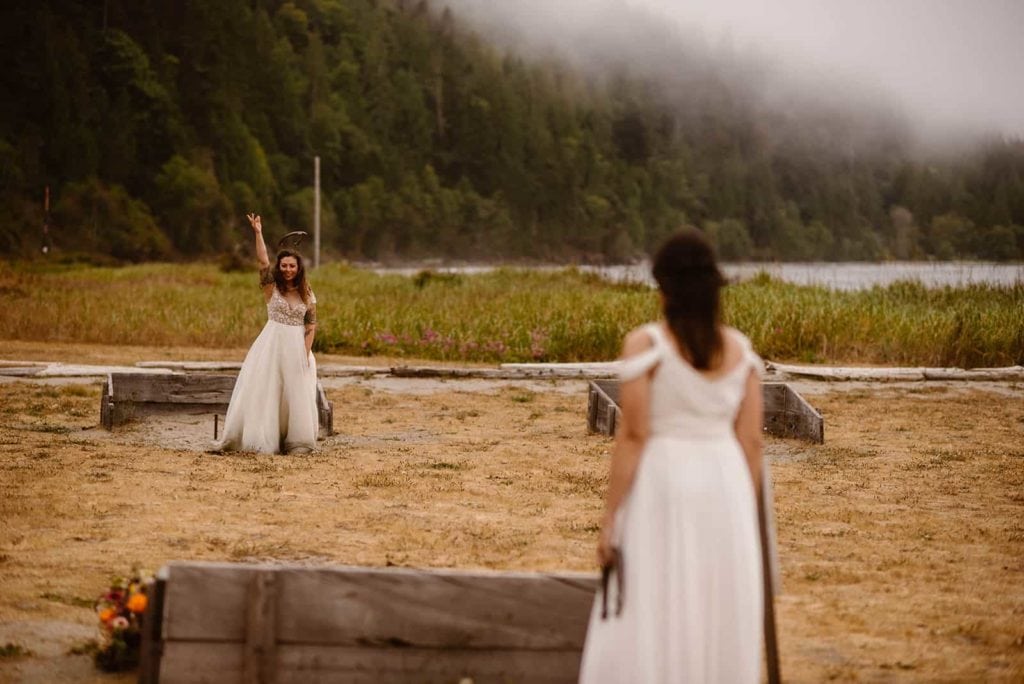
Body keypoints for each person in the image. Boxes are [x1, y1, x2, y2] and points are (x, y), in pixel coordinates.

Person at [578, 229, 765, 683]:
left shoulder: (646, 344)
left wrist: (610, 518)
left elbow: (634, 434)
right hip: (726, 484)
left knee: (657, 592)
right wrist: (747, 509)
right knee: (715, 597)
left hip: (665, 480)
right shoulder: (740, 351)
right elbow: (752, 442)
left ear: (664, 289)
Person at [214, 213, 320, 455]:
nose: (288, 270)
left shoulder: (306, 292)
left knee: (294, 394)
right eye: (284, 266)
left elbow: (311, 325)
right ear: (279, 267)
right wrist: (258, 233)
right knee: (268, 390)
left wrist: (304, 355)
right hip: (272, 343)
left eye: (292, 266)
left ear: (298, 268)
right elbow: (262, 261)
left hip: (297, 347)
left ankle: (294, 440)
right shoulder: (271, 287)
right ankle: (263, 439)